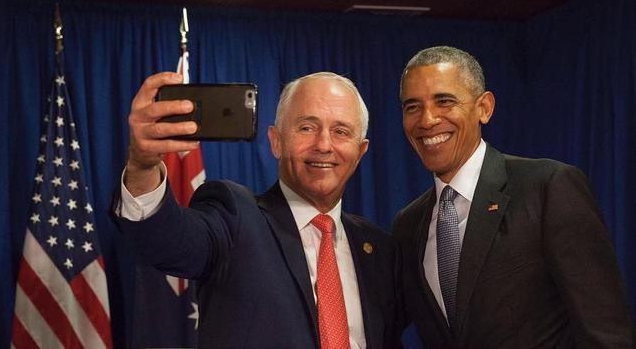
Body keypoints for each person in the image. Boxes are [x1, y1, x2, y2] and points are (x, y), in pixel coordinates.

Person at [112, 71, 404, 348]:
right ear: (276, 141)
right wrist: (142, 165)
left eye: (341, 131)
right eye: (307, 127)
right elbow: (167, 243)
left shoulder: (380, 250)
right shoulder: (235, 216)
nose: (324, 145)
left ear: (360, 152)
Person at [392, 46, 634, 348]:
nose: (427, 120)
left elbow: (606, 332)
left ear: (485, 107)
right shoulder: (408, 224)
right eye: (412, 107)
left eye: (444, 101)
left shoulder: (547, 187)